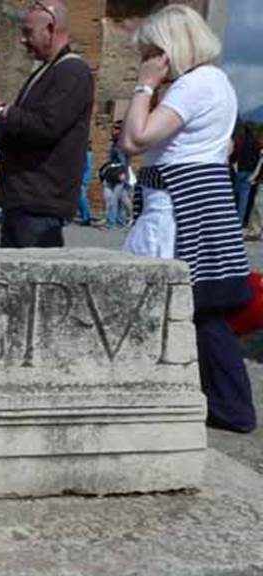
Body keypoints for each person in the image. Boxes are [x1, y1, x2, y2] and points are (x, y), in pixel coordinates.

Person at [120, 4, 255, 433]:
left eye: (152, 51)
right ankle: (217, 403)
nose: (148, 60)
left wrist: (144, 87)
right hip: (194, 196)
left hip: (184, 202)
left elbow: (134, 140)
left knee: (195, 305)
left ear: (169, 48)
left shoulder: (196, 84)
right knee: (199, 308)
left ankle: (229, 408)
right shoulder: (215, 82)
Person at [0, 0, 94, 248]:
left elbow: (46, 127)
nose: (23, 40)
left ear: (51, 29)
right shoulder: (46, 71)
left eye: (28, 33)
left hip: (40, 203)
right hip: (23, 200)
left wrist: (1, 109)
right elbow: (26, 127)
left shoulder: (73, 72)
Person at [99, 122, 129, 229]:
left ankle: (112, 223)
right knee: (118, 200)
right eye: (114, 128)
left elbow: (124, 161)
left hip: (118, 175)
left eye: (117, 128)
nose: (114, 130)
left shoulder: (121, 144)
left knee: (114, 200)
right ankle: (119, 221)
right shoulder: (117, 144)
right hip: (115, 174)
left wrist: (123, 173)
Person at [232, 123, 260, 227]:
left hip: (240, 171)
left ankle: (233, 217)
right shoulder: (256, 143)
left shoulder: (241, 142)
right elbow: (258, 158)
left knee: (236, 195)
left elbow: (234, 156)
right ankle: (241, 220)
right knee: (245, 198)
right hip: (251, 172)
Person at [76, 144, 93, 225]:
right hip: (80, 178)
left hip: (82, 179)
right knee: (80, 198)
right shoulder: (83, 154)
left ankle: (86, 217)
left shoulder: (87, 154)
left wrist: (84, 180)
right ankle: (85, 216)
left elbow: (87, 168)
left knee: (82, 198)